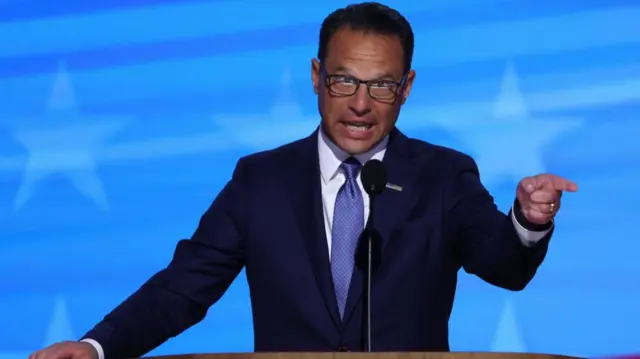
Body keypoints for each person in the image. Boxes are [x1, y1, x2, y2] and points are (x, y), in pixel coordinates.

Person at [29, 2, 578, 359]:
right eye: (344, 80)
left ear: (407, 87)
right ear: (316, 76)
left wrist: (528, 221)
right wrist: (97, 347)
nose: (361, 104)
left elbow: (504, 267)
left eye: (382, 86)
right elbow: (183, 288)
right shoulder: (260, 181)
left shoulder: (442, 175)